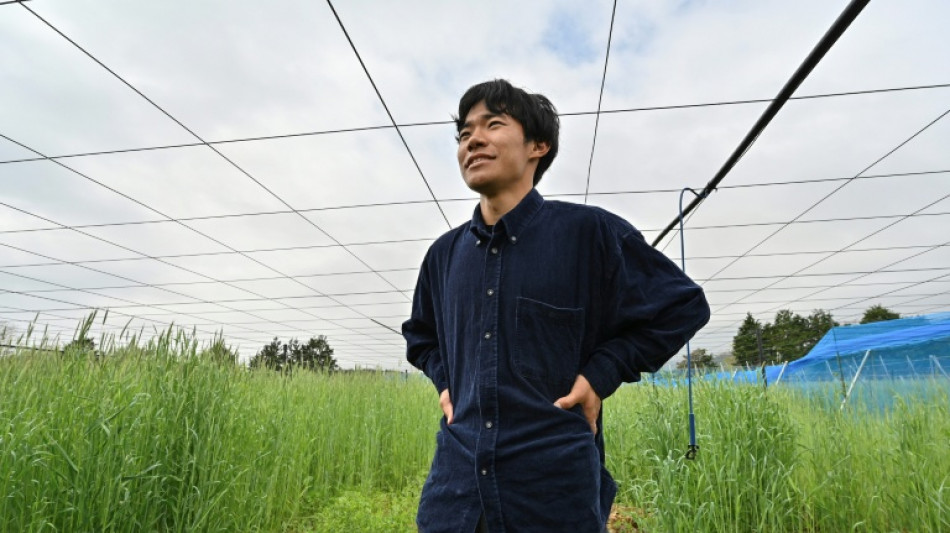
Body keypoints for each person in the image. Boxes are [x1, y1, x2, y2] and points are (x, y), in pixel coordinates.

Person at [402, 79, 710, 533]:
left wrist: (601, 374)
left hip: (552, 496)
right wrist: (446, 383)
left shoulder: (590, 235)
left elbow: (682, 306)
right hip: (456, 497)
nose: (473, 140)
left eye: (493, 124)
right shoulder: (444, 256)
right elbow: (421, 336)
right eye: (465, 133)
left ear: (538, 145)